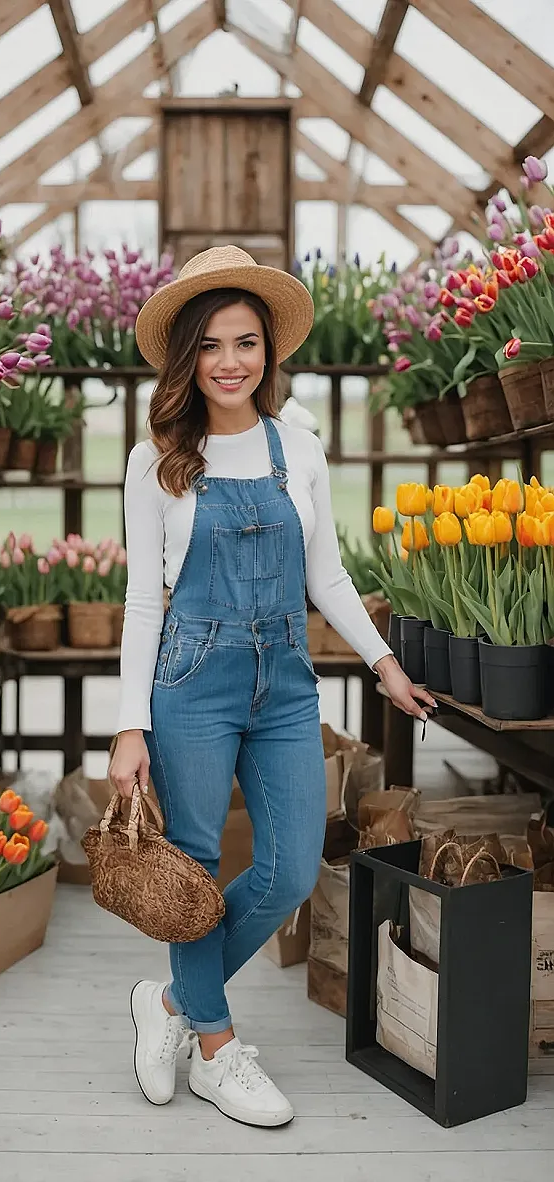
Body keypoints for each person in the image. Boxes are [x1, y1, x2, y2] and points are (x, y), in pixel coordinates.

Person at [109, 245, 434, 1128]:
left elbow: (325, 577)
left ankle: (171, 1001)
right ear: (186, 356)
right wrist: (127, 724)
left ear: (268, 351)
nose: (229, 361)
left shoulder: (300, 447)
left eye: (245, 342)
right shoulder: (157, 461)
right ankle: (215, 1047)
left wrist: (382, 662)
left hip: (286, 684)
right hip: (190, 680)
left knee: (291, 867)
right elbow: (144, 599)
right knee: (198, 869)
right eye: (210, 345)